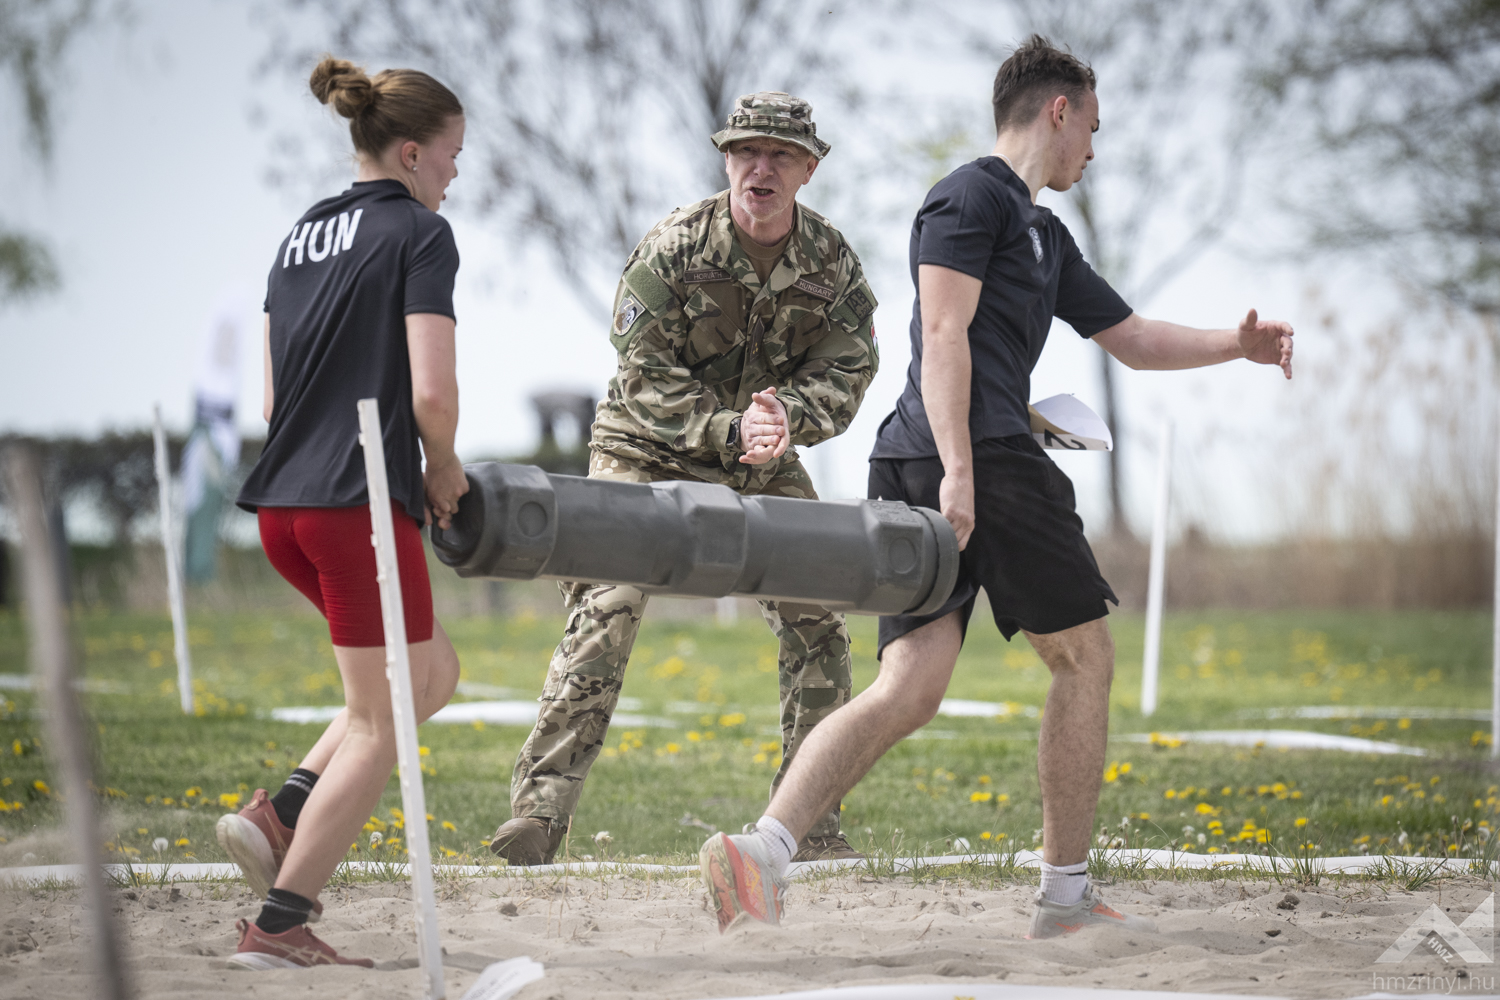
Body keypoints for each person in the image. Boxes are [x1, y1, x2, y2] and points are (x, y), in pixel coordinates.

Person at [699, 36, 1296, 937]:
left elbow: (1133, 339)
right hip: (972, 462)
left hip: (936, 457)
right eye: (1092, 126)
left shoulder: (1045, 235)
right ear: (1059, 111)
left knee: (911, 687)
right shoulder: (968, 196)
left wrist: (1234, 345)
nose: (1093, 147)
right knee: (1084, 657)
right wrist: (964, 473)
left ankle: (760, 855)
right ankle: (1066, 899)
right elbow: (943, 334)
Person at [489, 92, 880, 867]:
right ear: (726, 160)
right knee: (608, 604)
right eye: (746, 151)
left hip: (761, 452)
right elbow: (642, 371)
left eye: (780, 155)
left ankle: (809, 824)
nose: (761, 168)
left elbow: (849, 366)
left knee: (818, 619)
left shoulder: (831, 261)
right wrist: (727, 427)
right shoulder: (675, 245)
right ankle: (537, 816)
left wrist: (787, 417)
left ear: (808, 168)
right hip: (647, 447)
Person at [217, 55, 468, 969]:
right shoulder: (421, 234)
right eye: (451, 154)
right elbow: (431, 392)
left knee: (430, 673)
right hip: (353, 503)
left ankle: (282, 811)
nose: (455, 173)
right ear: (411, 152)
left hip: (281, 507)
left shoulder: (298, 236)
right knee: (381, 720)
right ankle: (280, 924)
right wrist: (442, 466)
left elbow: (274, 395)